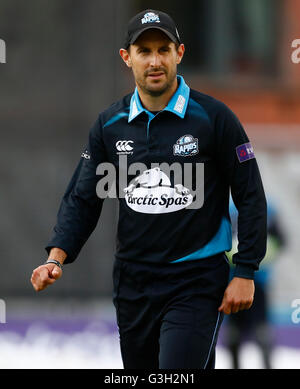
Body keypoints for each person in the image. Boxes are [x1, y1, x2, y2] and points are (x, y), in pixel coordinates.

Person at [30, 9, 267, 369]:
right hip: (133, 282)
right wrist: (55, 258)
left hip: (196, 281)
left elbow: (250, 195)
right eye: (144, 51)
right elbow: (83, 197)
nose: (155, 61)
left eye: (163, 49)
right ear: (127, 58)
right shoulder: (109, 125)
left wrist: (246, 271)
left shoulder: (215, 118)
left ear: (180, 53)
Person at [225, 199, 285, 369]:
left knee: (261, 330)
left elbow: (281, 240)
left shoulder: (269, 209)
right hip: (232, 282)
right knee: (234, 333)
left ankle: (267, 365)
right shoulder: (225, 207)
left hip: (258, 282)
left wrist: (262, 255)